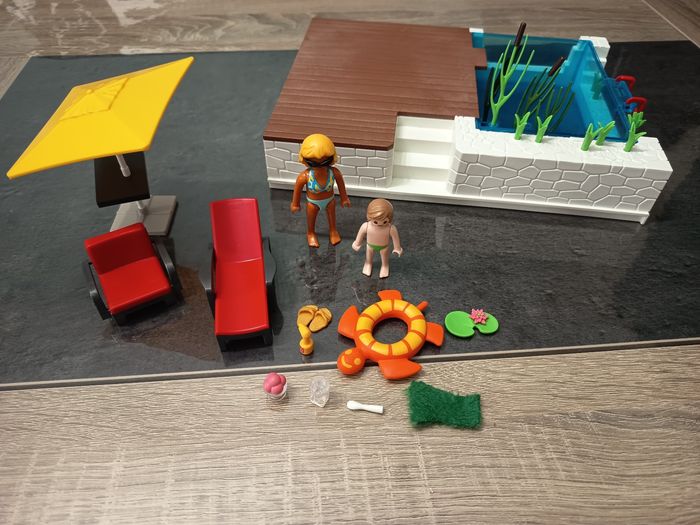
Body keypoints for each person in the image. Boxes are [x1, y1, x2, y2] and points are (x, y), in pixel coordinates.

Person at [290, 134, 351, 247]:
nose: (319, 165)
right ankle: (311, 233)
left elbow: (341, 185)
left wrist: (344, 198)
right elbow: (297, 190)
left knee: (332, 218)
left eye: (325, 161)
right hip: (312, 203)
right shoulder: (305, 176)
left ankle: (333, 231)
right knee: (311, 220)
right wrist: (295, 204)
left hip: (330, 201)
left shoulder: (334, 173)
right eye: (313, 162)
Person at [352, 198, 402, 278]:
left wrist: (397, 248)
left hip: (384, 247)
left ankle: (385, 266)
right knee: (368, 259)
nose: (380, 224)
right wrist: (357, 243)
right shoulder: (366, 226)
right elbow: (360, 235)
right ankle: (368, 264)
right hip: (370, 246)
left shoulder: (391, 228)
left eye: (384, 221)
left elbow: (395, 239)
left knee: (384, 260)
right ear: (369, 216)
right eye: (376, 221)